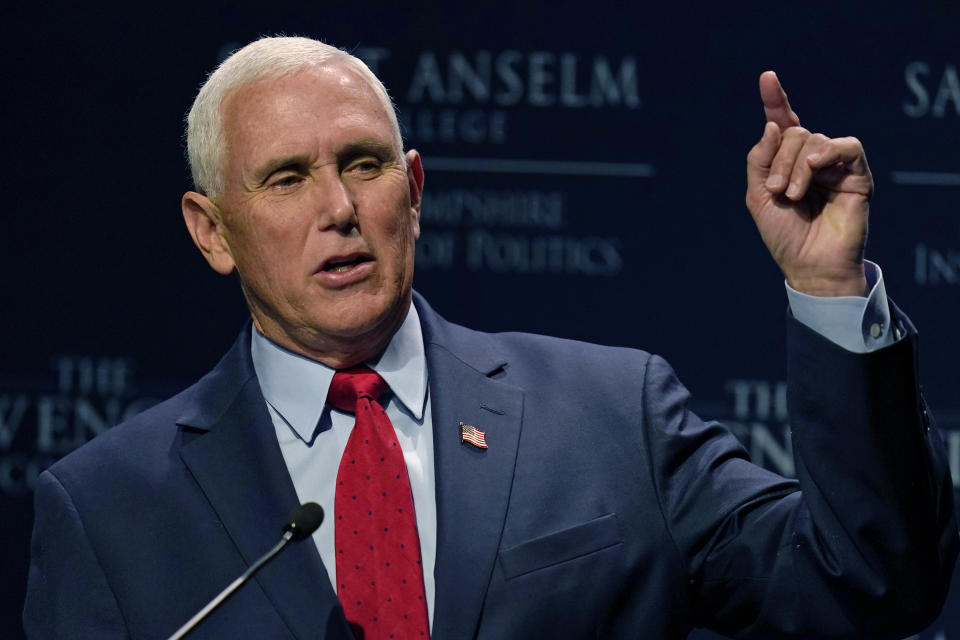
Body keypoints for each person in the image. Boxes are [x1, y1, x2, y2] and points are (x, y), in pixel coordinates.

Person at [23, 36, 957, 639]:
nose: (341, 209)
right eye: (285, 180)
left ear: (416, 192)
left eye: (363, 164)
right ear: (212, 231)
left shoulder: (610, 415)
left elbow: (869, 583)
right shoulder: (108, 512)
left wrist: (828, 286)